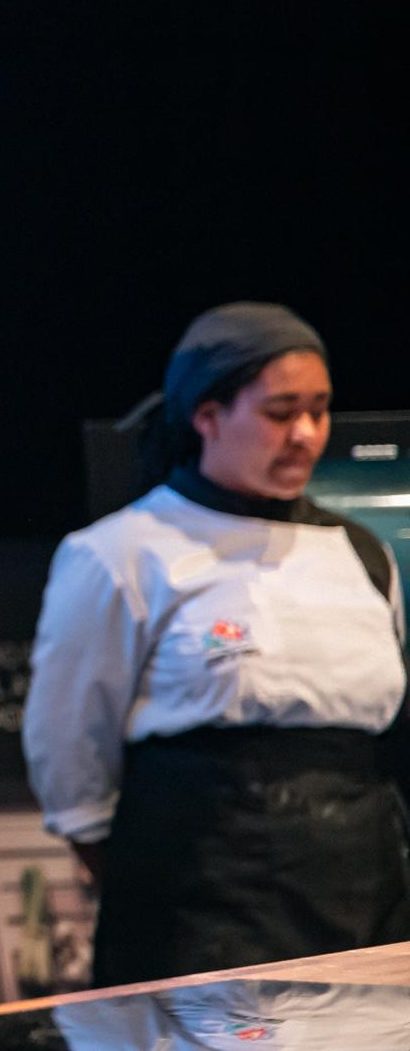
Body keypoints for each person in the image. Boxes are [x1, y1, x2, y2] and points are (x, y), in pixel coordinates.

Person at [24, 302, 410, 985]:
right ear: (206, 415)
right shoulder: (122, 551)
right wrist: (126, 867)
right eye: (279, 411)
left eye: (319, 410)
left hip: (363, 876)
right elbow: (68, 741)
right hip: (199, 893)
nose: (306, 433)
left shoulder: (361, 552)